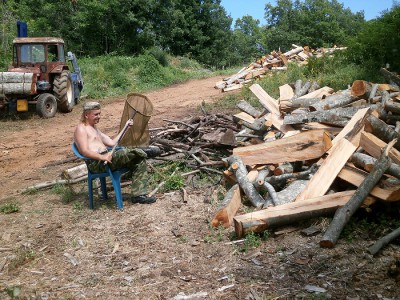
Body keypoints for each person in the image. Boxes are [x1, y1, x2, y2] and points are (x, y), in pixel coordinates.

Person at [74, 101, 156, 204]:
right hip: (97, 164)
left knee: (139, 159)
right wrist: (102, 157)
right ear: (86, 115)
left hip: (108, 159)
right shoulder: (81, 129)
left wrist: (126, 127)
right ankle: (144, 151)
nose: (99, 116)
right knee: (126, 152)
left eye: (99, 113)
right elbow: (84, 151)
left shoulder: (95, 129)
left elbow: (112, 143)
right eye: (96, 114)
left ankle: (138, 196)